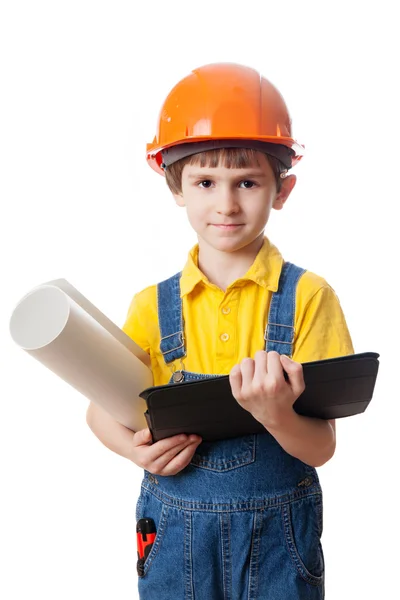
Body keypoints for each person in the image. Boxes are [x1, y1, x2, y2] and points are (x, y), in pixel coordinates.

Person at [86, 63, 353, 599]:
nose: (226, 204)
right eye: (205, 182)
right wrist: (134, 451)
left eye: (247, 182)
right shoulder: (152, 307)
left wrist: (276, 414)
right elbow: (100, 410)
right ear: (174, 185)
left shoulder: (308, 299)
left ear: (283, 189)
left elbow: (321, 448)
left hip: (279, 541)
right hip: (175, 541)